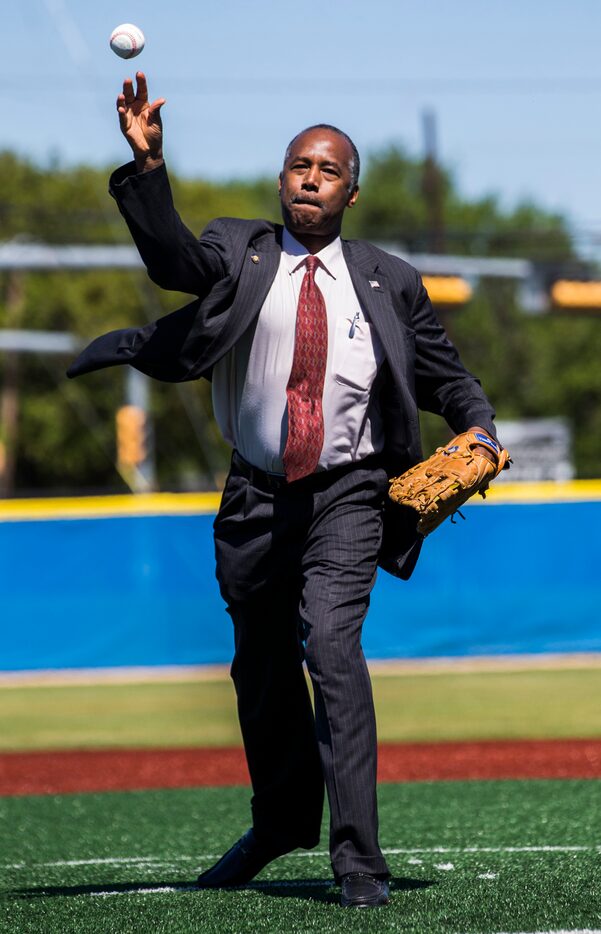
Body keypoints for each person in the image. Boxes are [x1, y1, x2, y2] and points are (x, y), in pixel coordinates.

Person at [68, 73, 501, 908]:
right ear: (281, 179)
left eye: (328, 168)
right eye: (298, 164)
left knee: (331, 649)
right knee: (259, 671)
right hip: (255, 499)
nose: (310, 177)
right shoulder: (240, 250)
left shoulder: (387, 279)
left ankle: (357, 860)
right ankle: (280, 823)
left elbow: (445, 377)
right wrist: (148, 166)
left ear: (351, 190)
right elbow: (174, 262)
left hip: (349, 492)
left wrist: (478, 427)